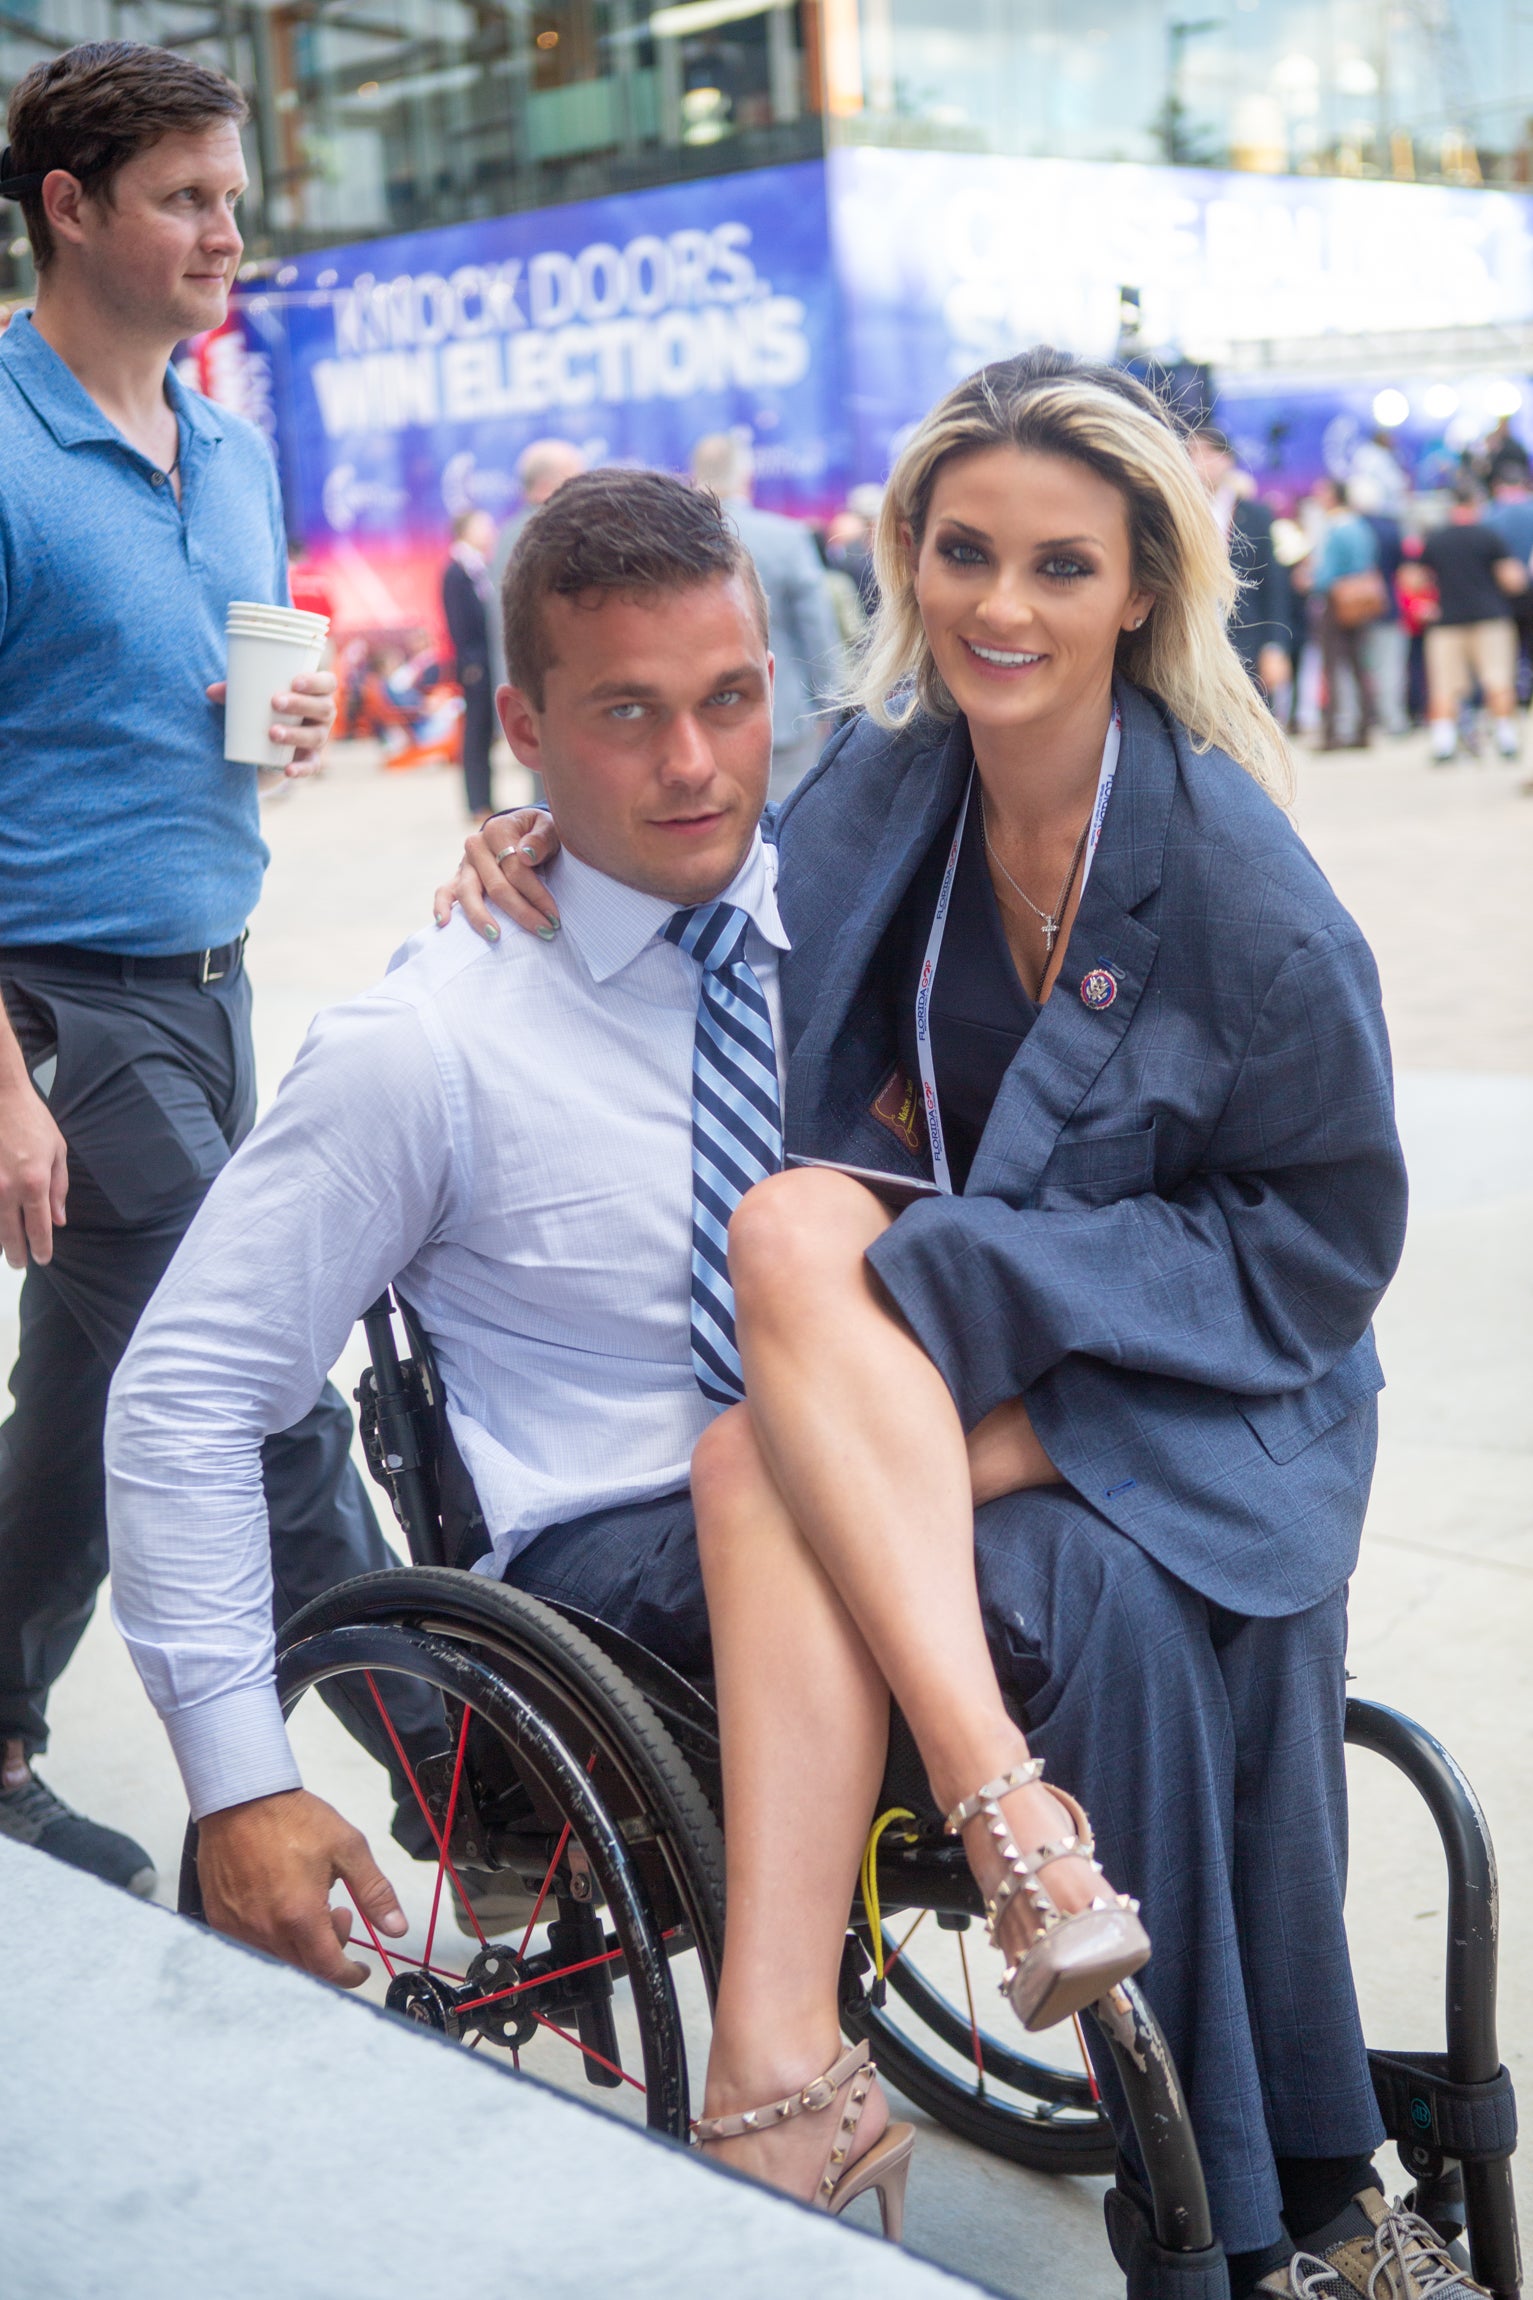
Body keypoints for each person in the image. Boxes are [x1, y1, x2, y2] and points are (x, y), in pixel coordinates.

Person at [459, 356, 1457, 2300]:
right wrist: (539, 849)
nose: (1000, 606)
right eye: (964, 551)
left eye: (1057, 567)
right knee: (801, 1258)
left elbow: (1327, 1231)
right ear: (910, 555)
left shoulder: (1242, 892)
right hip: (956, 1355)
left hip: (1212, 1366)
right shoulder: (880, 779)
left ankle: (1244, 2168)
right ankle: (1155, 2037)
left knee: (843, 1403)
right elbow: (697, 862)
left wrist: (1021, 1289)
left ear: (1138, 592)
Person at [0, 41, 411, 1898]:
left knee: (92, 1405)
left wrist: (282, 726)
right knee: (252, 1377)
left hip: (210, 985)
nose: (227, 232)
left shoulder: (231, 445)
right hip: (56, 1005)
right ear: (66, 209)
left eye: (233, 196)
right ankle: (472, 1772)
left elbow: (203, 701)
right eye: (184, 197)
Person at [690, 431, 843, 800]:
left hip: (693, 724)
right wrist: (833, 706)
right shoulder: (787, 538)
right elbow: (817, 630)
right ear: (745, 477)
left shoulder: (671, 543)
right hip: (783, 719)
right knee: (785, 833)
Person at [1405, 475, 1528, 764]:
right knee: (1498, 680)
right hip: (1490, 619)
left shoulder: (1436, 538)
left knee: (1444, 686)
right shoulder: (1490, 535)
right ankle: (1506, 738)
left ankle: (1443, 743)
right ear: (1476, 503)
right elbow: (1513, 580)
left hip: (1447, 622)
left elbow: (1412, 580)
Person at [1186, 424, 1293, 705]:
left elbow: (1274, 583)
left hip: (1247, 638)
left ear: (1227, 460)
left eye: (1208, 453)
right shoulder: (1180, 514)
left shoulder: (1253, 514)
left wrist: (1275, 645)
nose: (1199, 461)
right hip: (1193, 638)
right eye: (1192, 453)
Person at [1304, 477, 1381, 750]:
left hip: (1336, 604)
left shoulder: (1335, 528)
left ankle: (1332, 732)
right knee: (1361, 667)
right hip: (1361, 602)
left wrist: (1310, 580)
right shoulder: (1360, 526)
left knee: (1332, 669)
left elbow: (1326, 574)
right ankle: (1365, 727)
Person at [441, 508, 499, 820]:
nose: (490, 531)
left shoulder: (479, 567)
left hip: (487, 661)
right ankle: (478, 802)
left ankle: (487, 798)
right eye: (483, 525)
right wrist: (470, 663)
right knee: (475, 734)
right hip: (474, 665)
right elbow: (459, 623)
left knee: (487, 732)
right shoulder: (456, 570)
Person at [1346, 471, 1410, 738]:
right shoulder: (1391, 529)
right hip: (1387, 606)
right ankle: (1393, 720)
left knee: (1355, 669)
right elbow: (1403, 568)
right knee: (1390, 667)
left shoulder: (1348, 527)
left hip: (1352, 608)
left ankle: (1360, 721)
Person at [489, 434, 584, 598]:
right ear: (545, 486)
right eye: (576, 482)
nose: (585, 491)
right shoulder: (554, 533)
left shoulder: (508, 533)